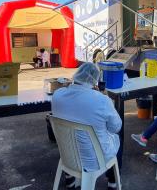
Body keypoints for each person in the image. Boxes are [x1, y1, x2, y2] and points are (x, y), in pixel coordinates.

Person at [52, 62, 122, 190]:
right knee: (116, 138)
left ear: (76, 75)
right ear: (95, 80)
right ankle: (112, 183)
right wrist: (104, 97)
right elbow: (115, 128)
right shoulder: (101, 100)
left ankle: (70, 181)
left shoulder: (57, 95)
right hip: (94, 161)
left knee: (69, 137)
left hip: (68, 157)